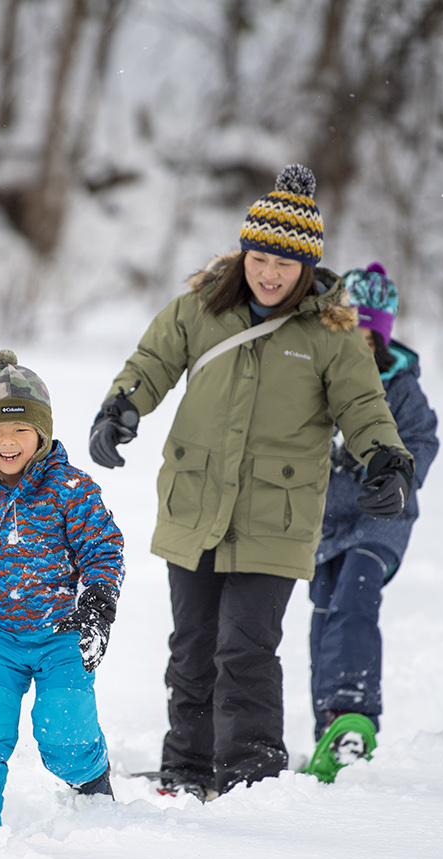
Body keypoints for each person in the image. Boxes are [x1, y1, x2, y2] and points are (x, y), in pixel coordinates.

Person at [88, 165, 413, 800]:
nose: (269, 273)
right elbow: (152, 362)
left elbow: (365, 408)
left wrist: (387, 460)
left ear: (306, 269)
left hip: (275, 515)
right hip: (195, 503)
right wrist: (120, 407)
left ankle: (248, 778)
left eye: (284, 265)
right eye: (259, 256)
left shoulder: (331, 333)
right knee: (191, 649)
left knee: (245, 650)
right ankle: (185, 770)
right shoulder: (201, 308)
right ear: (243, 253)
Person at [0, 350, 126, 825]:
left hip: (62, 634)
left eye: (20, 430)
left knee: (65, 735)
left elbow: (102, 549)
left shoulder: (71, 489)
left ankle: (94, 793)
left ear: (42, 432)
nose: (7, 442)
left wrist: (97, 605)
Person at [303, 262, 438, 782]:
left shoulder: (400, 387)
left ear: (382, 335)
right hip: (324, 523)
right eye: (350, 330)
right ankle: (328, 731)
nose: (359, 342)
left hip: (379, 520)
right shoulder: (322, 375)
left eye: (369, 334)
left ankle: (355, 716)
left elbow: (422, 439)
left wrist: (398, 474)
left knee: (355, 601)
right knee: (323, 613)